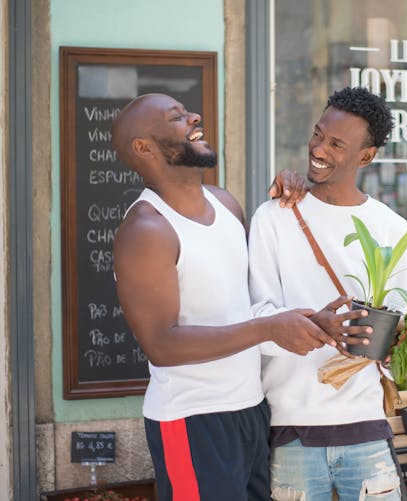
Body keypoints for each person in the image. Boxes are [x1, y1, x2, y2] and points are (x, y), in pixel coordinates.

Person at [111, 93, 370, 501]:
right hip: (192, 418)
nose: (194, 116)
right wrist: (267, 327)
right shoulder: (147, 229)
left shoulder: (225, 203)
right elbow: (160, 345)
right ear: (144, 148)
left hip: (251, 408)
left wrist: (302, 322)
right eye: (177, 117)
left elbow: (242, 304)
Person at [249, 87, 407, 501]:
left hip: (366, 426)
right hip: (292, 429)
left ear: (366, 157)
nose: (319, 149)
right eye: (318, 134)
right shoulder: (273, 218)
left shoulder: (391, 228)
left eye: (337, 144)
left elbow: (405, 317)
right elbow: (257, 320)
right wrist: (318, 329)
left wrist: (396, 340)